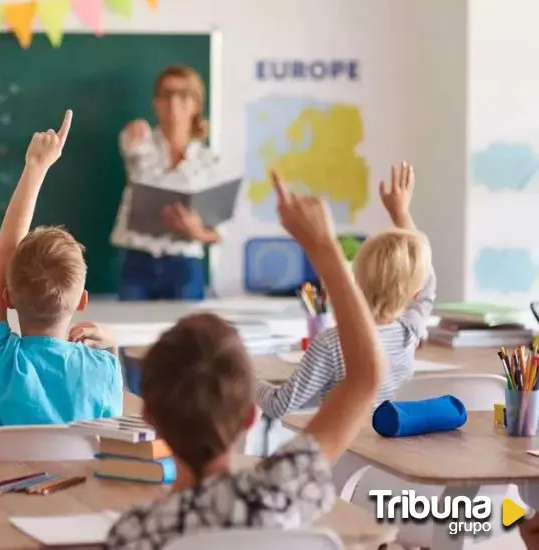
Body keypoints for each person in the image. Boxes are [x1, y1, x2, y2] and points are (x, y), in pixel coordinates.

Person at [105, 170, 387, 549]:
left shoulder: (136, 533)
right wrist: (324, 247)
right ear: (250, 416)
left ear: (149, 419)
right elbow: (366, 377)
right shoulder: (281, 491)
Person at [0, 110, 123, 433]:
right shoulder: (103, 370)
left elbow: (3, 254)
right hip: (77, 486)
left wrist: (34, 168)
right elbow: (111, 439)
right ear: (81, 301)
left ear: (6, 297)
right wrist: (112, 348)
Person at [257, 162, 436, 418]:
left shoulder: (331, 344)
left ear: (356, 278)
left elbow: (278, 405)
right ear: (415, 293)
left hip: (342, 450)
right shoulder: (409, 334)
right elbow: (427, 282)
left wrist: (246, 378)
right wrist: (401, 213)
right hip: (385, 450)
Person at [111, 65, 225, 301]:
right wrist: (132, 136)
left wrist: (197, 232)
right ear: (156, 103)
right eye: (167, 94)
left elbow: (219, 233)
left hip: (184, 263)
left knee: (187, 335)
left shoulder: (209, 161)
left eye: (183, 94)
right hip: (138, 260)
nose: (174, 102)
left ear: (195, 103)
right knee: (131, 333)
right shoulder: (139, 141)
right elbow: (129, 148)